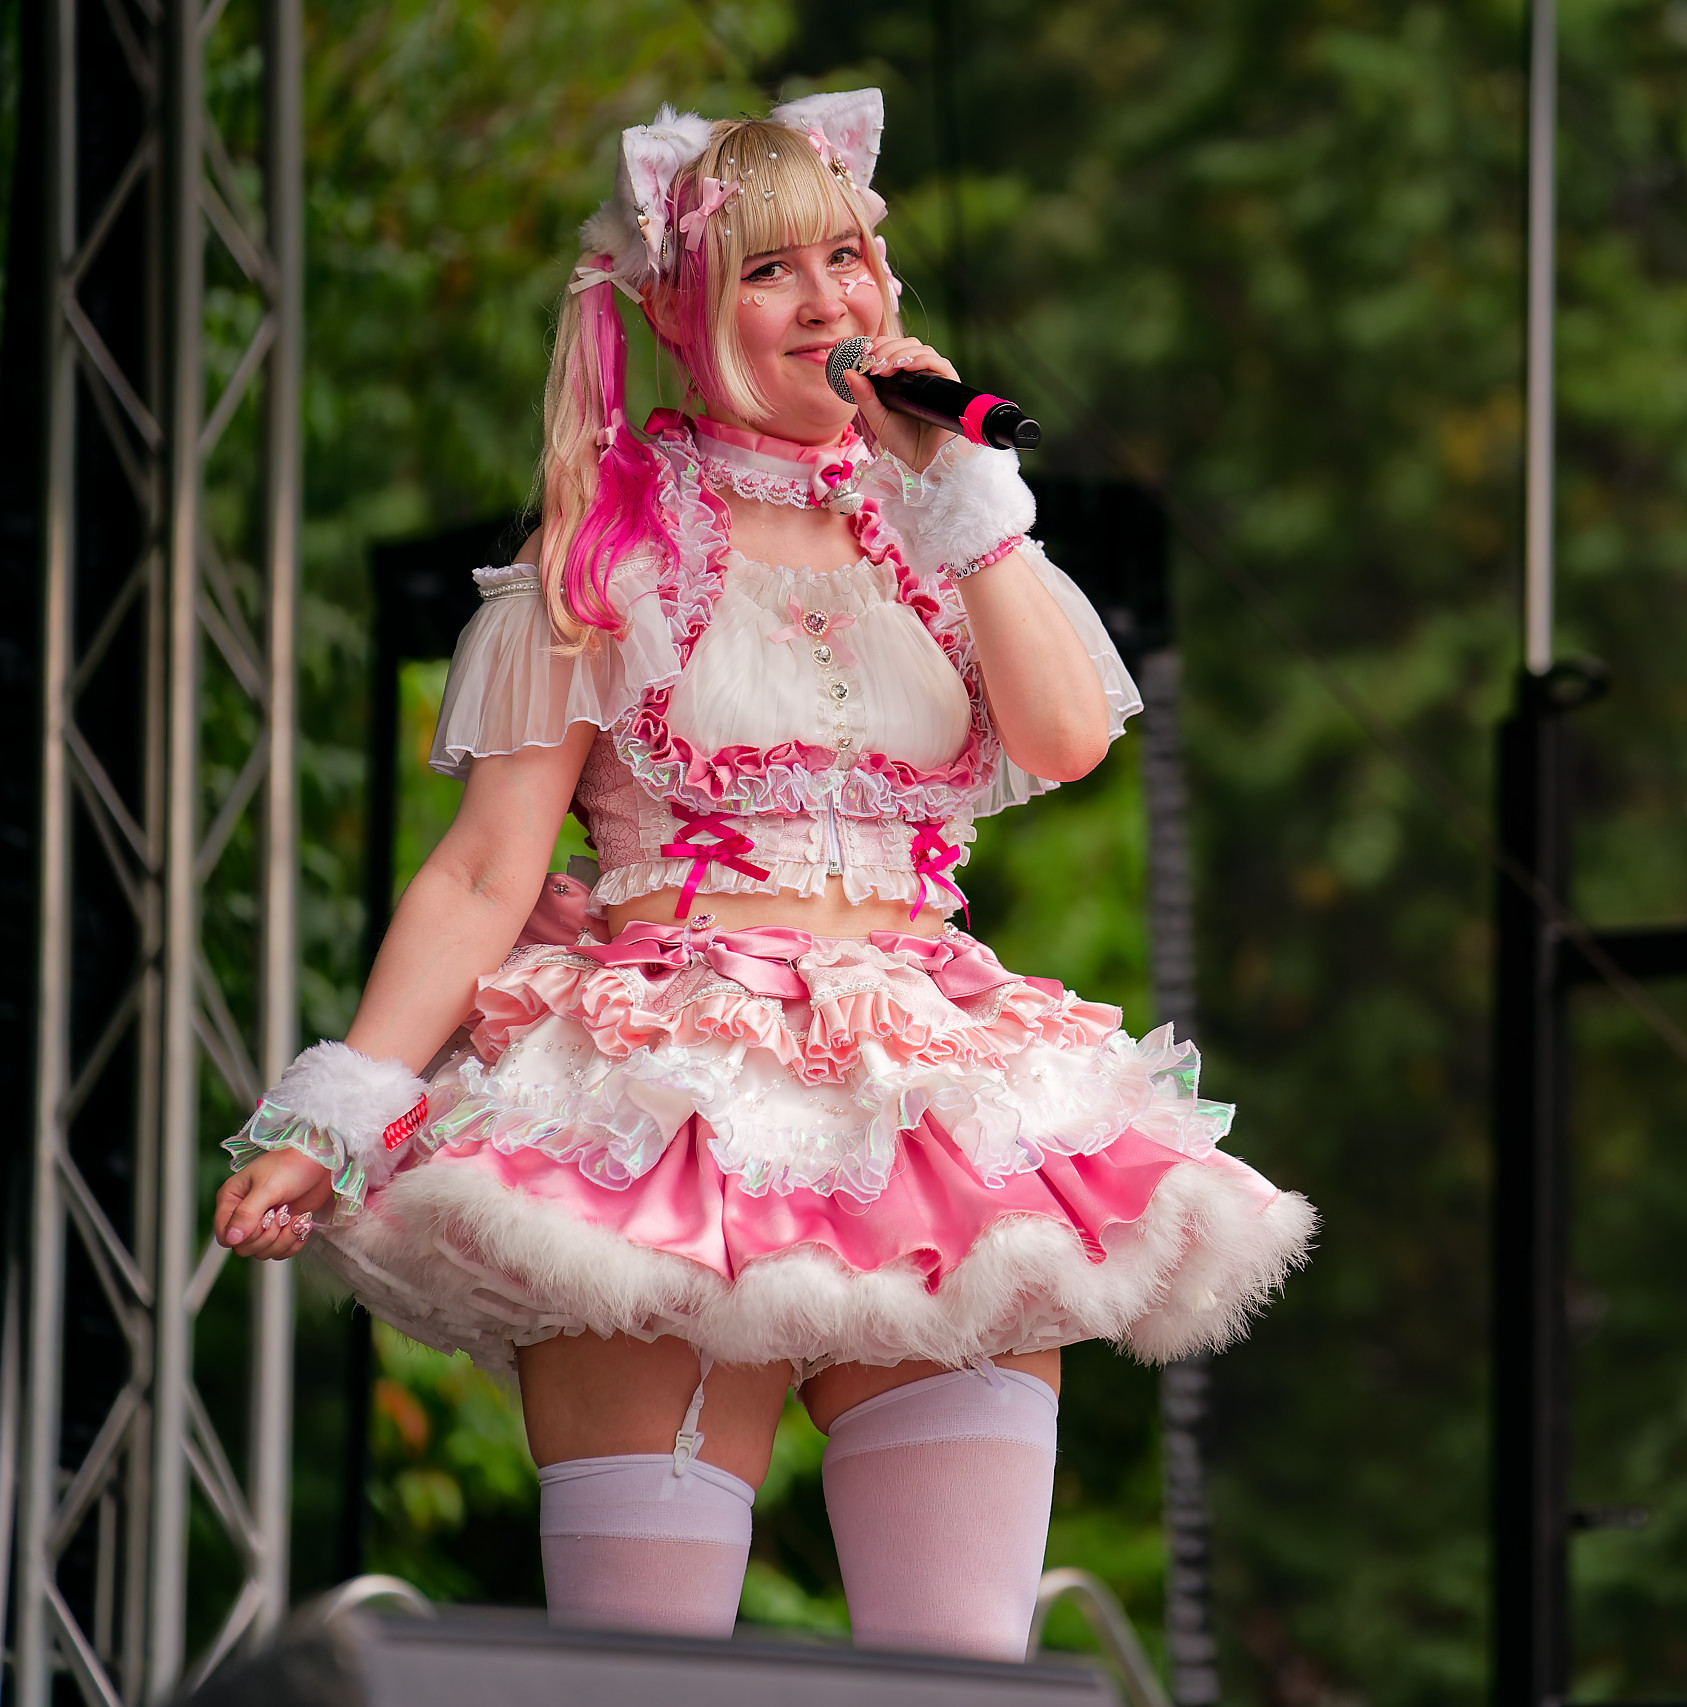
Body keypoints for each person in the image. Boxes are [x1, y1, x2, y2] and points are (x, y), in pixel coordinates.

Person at [214, 90, 1315, 1658]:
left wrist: (968, 501)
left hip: (926, 1097)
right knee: (646, 1676)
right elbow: (481, 872)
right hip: (663, 1101)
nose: (825, 301)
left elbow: (1070, 736)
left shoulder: (944, 531)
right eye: (769, 271)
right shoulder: (600, 556)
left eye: (848, 260)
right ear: (678, 310)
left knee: (962, 1669)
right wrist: (335, 1110)